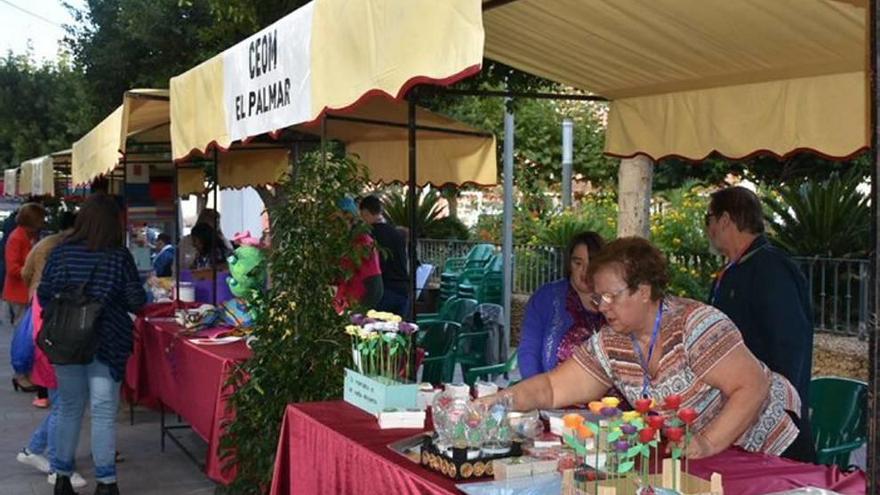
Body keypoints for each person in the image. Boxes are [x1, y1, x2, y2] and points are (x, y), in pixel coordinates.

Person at [485, 237, 804, 460]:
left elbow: (752, 386)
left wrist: (707, 443)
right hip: (710, 458)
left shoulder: (694, 325)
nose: (601, 307)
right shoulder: (612, 341)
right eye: (598, 298)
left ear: (644, 291)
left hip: (773, 449)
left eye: (610, 296)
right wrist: (496, 402)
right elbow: (552, 389)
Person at [37, 194, 147, 494]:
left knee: (70, 407)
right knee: (102, 411)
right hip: (107, 342)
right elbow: (137, 301)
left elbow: (44, 294)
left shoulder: (60, 253)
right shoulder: (117, 256)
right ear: (113, 222)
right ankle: (106, 483)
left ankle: (61, 477)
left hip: (66, 343)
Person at [704, 185, 815, 462]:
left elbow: (789, 345)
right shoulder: (735, 269)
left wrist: (771, 405)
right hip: (739, 409)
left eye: (709, 219)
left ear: (726, 220)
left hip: (772, 420)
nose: (708, 229)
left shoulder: (771, 269)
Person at [16, 210, 87, 489]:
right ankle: (59, 468)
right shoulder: (62, 254)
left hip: (49, 331)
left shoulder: (49, 249)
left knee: (65, 404)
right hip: (56, 337)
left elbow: (25, 273)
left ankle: (36, 452)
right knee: (67, 405)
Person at [519, 231, 607, 379]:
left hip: (608, 400)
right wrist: (537, 393)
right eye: (578, 263)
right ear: (569, 264)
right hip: (554, 397)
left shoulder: (614, 300)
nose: (584, 271)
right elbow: (529, 352)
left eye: (591, 263)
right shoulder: (546, 297)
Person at [359, 195, 410, 315]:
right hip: (402, 289)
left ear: (366, 212)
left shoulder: (368, 236)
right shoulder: (397, 233)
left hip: (383, 290)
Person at [334, 197, 383, 313]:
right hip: (368, 285)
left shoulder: (358, 239)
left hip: (363, 287)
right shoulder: (361, 236)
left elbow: (346, 267)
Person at [4, 202, 45, 323]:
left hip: (25, 292)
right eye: (41, 219)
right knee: (21, 329)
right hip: (18, 293)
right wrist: (33, 271)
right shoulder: (17, 238)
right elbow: (12, 268)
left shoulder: (30, 236)